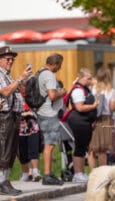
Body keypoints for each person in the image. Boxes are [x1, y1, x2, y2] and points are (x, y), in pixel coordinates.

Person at [0, 46, 32, 195]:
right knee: (4, 150)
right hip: (5, 116)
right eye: (7, 59)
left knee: (11, 150)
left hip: (13, 115)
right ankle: (2, 182)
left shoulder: (7, 75)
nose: (11, 61)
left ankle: (5, 181)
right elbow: (5, 92)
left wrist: (21, 83)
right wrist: (20, 79)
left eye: (12, 59)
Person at [37, 53, 66, 185]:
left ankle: (48, 173)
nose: (59, 68)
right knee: (49, 145)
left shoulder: (40, 72)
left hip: (42, 111)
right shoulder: (49, 75)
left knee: (48, 144)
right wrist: (63, 92)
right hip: (49, 113)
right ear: (55, 64)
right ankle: (47, 175)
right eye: (59, 65)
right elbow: (53, 95)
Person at [65, 68, 98, 183]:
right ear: (81, 78)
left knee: (82, 148)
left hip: (85, 122)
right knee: (79, 147)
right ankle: (78, 173)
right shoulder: (78, 90)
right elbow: (79, 107)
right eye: (88, 78)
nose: (90, 80)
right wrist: (94, 106)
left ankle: (81, 172)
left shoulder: (85, 89)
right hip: (78, 121)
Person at [88, 67, 115, 169]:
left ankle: (92, 172)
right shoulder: (111, 91)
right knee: (102, 149)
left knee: (91, 148)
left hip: (93, 118)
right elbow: (112, 108)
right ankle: (102, 173)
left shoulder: (93, 89)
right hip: (105, 119)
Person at [18, 91, 42, 182]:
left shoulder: (32, 97)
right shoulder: (15, 97)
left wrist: (32, 112)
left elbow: (37, 108)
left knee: (34, 150)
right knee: (22, 152)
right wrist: (25, 114)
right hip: (20, 129)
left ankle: (35, 172)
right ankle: (25, 174)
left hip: (33, 128)